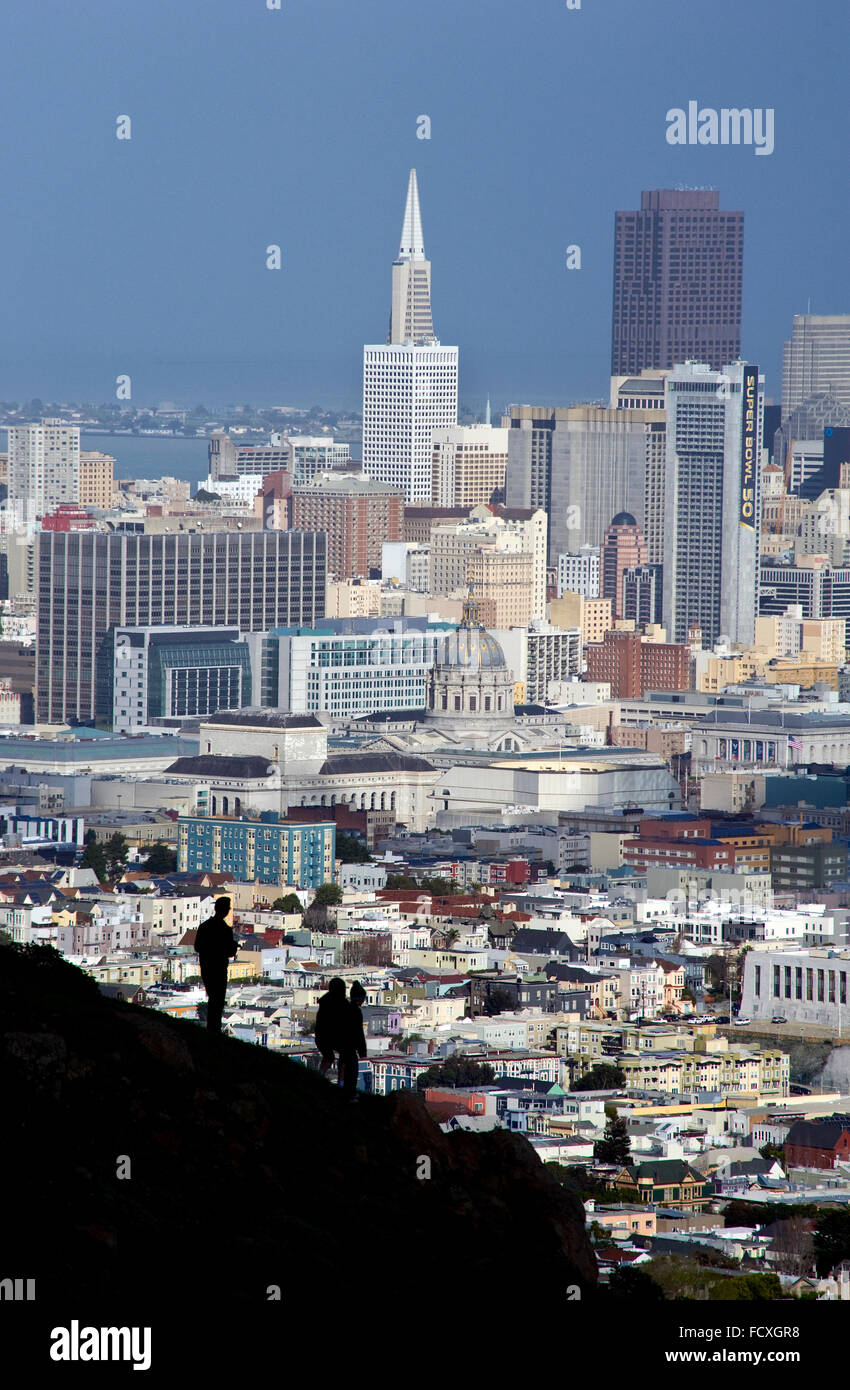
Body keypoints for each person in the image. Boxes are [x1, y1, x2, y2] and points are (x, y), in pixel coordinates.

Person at [194, 896, 238, 1033]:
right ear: (226, 911)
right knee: (218, 1000)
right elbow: (230, 952)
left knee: (212, 998)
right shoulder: (225, 930)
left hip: (206, 967)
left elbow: (197, 947)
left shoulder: (204, 926)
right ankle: (214, 1030)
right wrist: (234, 946)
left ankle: (212, 1029)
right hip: (219, 969)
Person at [338, 981, 368, 1103]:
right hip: (350, 1047)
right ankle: (349, 1094)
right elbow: (359, 1033)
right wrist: (362, 1051)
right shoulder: (356, 1012)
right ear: (360, 999)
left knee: (343, 1069)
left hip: (342, 1045)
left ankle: (343, 1092)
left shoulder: (344, 1008)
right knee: (352, 1071)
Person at [314, 977, 348, 1076]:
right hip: (328, 1036)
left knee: (329, 1057)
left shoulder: (325, 1001)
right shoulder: (340, 1002)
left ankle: (320, 1075)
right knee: (345, 1054)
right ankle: (341, 1080)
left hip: (322, 1036)